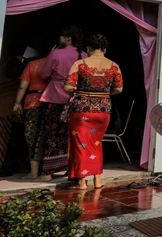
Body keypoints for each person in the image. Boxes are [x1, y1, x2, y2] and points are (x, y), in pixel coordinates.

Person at [63, 33, 123, 190]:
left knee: (81, 144)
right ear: (104, 49)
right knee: (96, 143)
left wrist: (79, 91)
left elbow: (68, 87)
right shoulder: (113, 66)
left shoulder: (80, 64)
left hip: (81, 110)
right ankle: (97, 180)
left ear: (88, 48)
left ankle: (82, 181)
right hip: (103, 111)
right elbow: (119, 88)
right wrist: (103, 93)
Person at [39, 26, 87, 177]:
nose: (59, 38)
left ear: (68, 38)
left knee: (53, 135)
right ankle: (72, 168)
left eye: (61, 35)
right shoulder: (84, 55)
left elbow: (43, 74)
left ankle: (49, 171)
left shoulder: (56, 53)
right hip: (76, 99)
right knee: (74, 135)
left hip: (55, 98)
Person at [13, 50, 49, 180]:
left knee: (32, 137)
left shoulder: (33, 64)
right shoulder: (57, 64)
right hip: (52, 102)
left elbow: (23, 86)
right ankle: (48, 171)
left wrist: (17, 102)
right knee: (49, 137)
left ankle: (33, 172)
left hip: (32, 102)